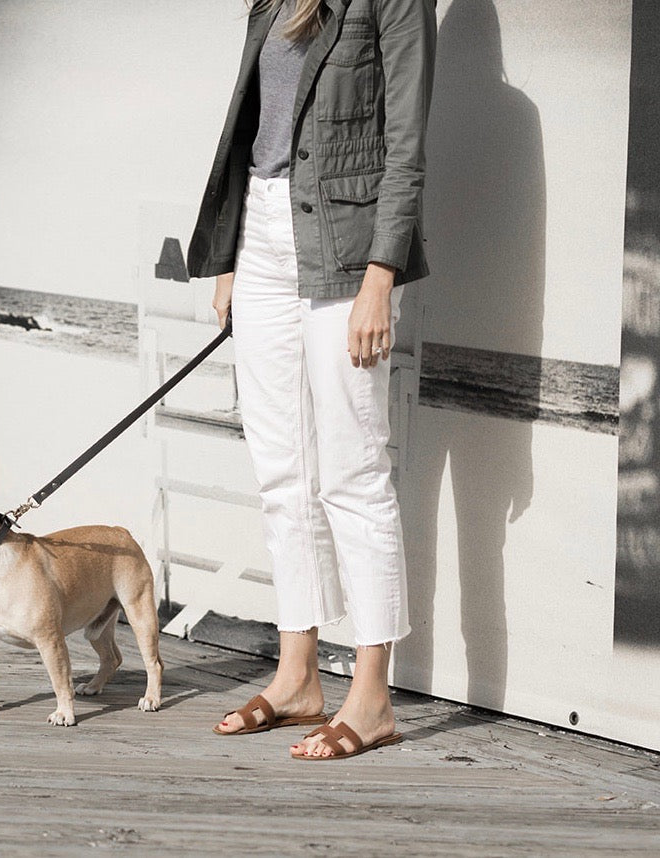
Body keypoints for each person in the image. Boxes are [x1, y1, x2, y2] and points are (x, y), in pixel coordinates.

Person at [186, 0, 436, 759]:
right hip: (262, 236)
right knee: (280, 467)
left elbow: (405, 145)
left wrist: (380, 276)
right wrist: (231, 254)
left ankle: (372, 695)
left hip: (342, 245)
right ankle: (297, 676)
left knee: (354, 473)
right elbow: (253, 134)